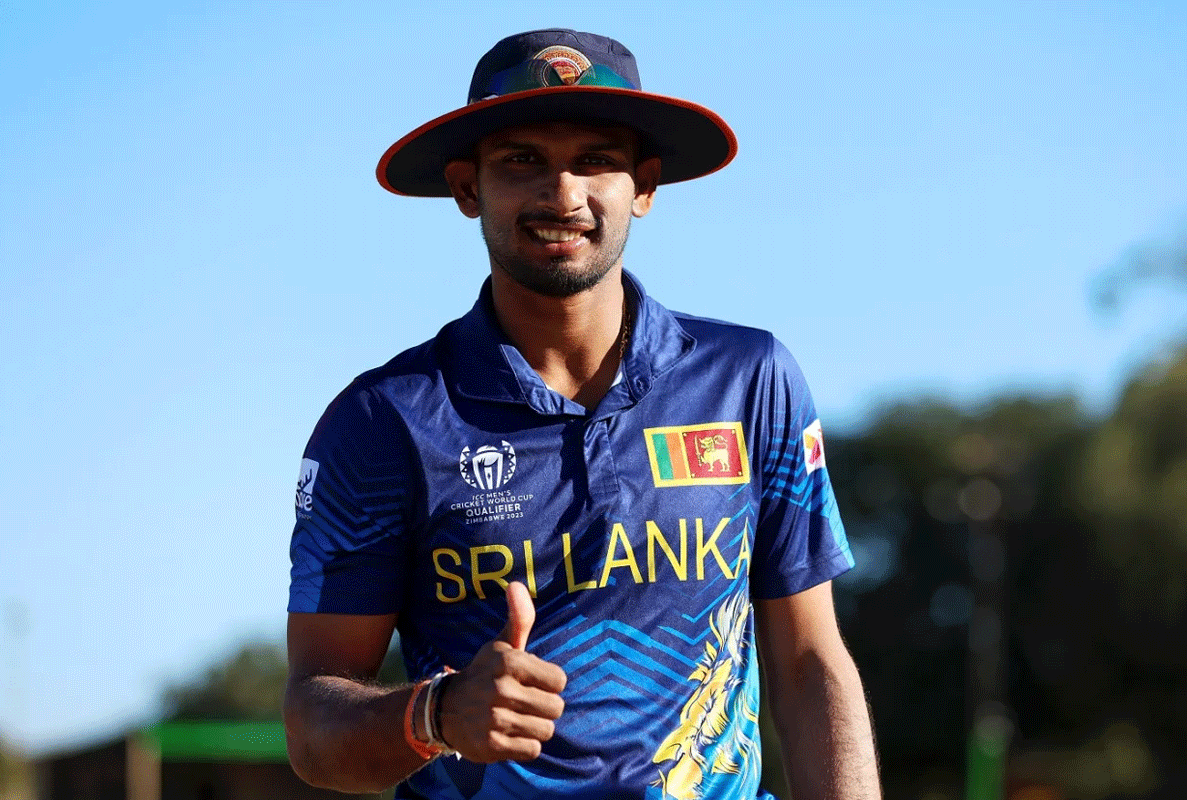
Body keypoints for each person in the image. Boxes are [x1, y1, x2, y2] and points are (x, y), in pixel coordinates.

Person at [283, 28, 880, 800]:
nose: (563, 193)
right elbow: (311, 727)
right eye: (521, 160)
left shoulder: (750, 380)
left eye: (596, 159)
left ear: (645, 186)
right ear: (467, 188)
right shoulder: (382, 421)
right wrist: (435, 714)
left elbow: (808, 660)